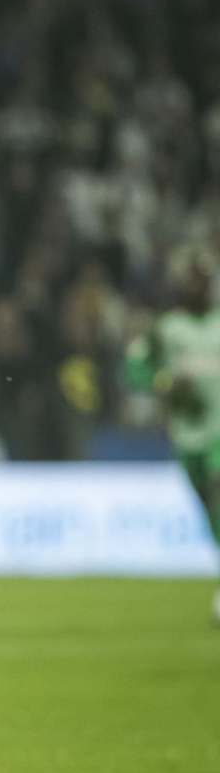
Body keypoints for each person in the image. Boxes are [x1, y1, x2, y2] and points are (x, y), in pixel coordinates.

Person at [126, 256, 220, 624]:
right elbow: (134, 371)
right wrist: (166, 383)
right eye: (191, 280)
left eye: (204, 280)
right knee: (210, 513)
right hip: (186, 436)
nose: (198, 287)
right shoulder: (164, 329)